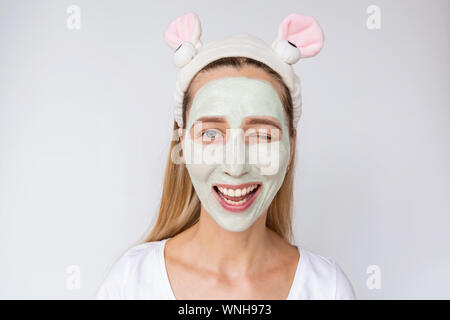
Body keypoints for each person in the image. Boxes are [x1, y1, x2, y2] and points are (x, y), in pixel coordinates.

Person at [96, 12, 356, 300]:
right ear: (182, 143)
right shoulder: (131, 282)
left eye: (261, 135)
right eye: (210, 134)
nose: (235, 166)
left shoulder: (327, 289)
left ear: (291, 146)